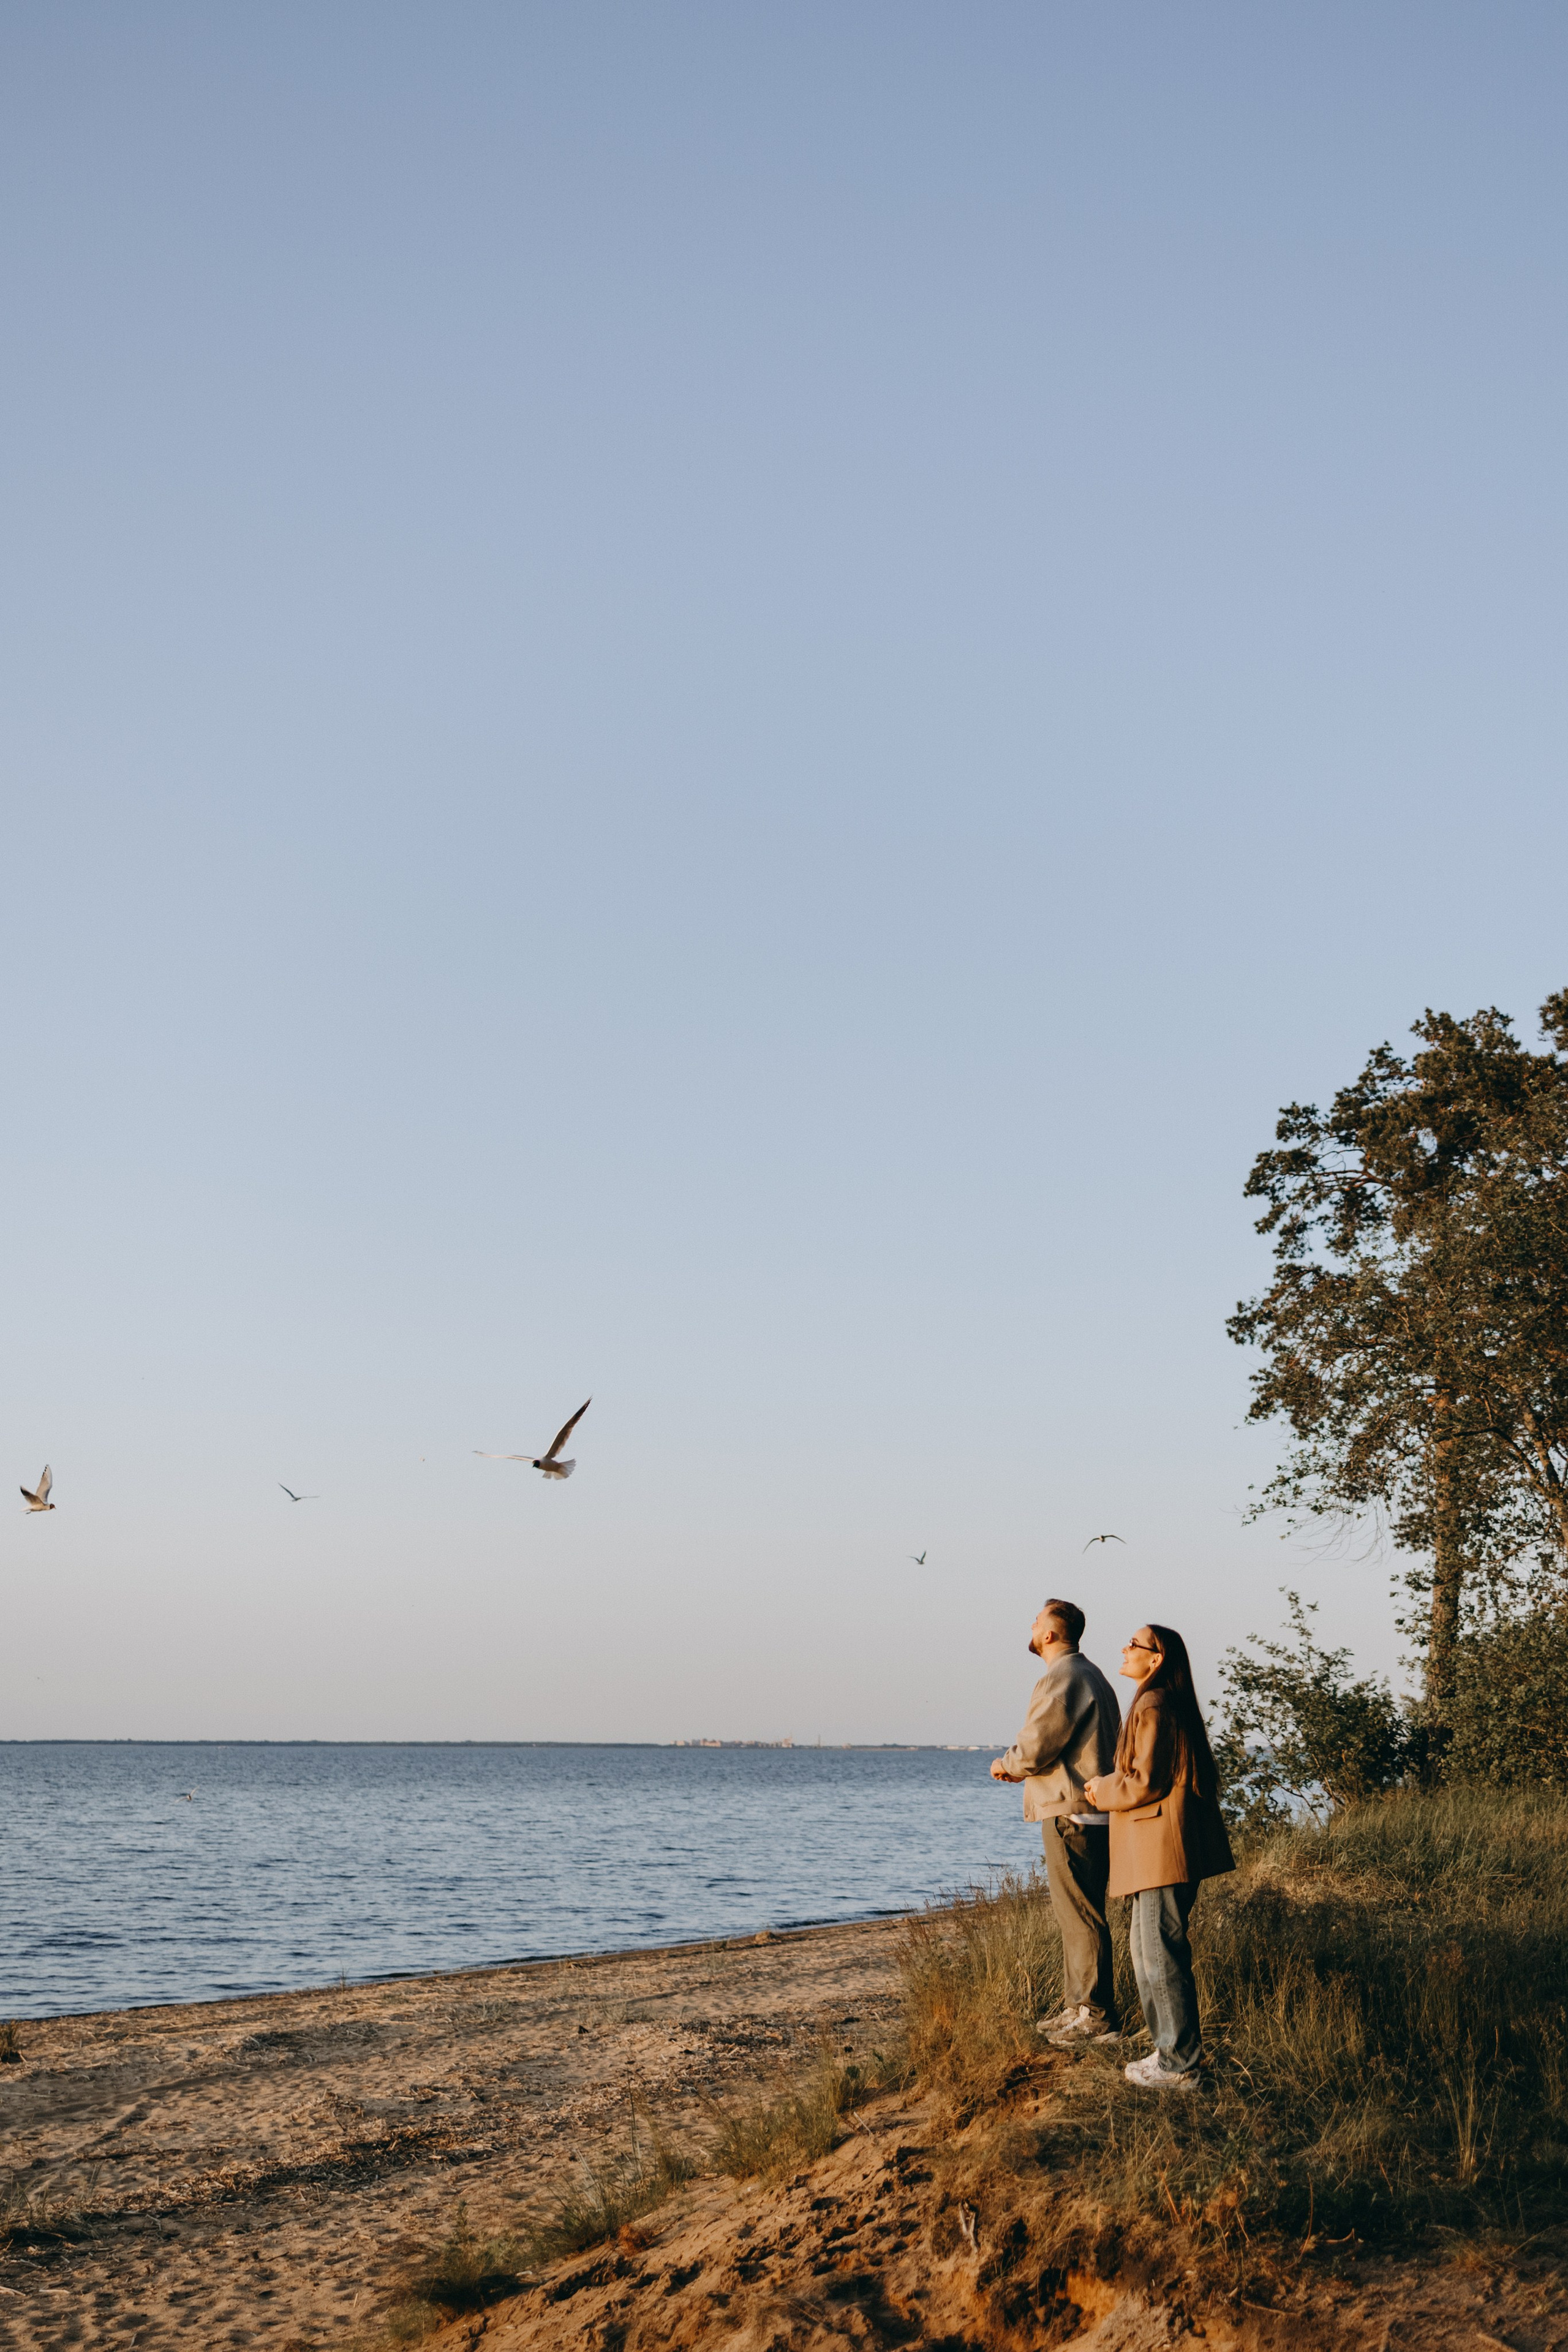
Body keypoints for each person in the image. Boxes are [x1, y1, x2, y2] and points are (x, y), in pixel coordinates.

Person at [1082, 1623, 1234, 2090]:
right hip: (1156, 1851)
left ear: (1157, 1658)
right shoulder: (1160, 1702)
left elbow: (1145, 1782)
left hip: (1159, 1852)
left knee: (1159, 1957)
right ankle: (1168, 2050)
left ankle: (1181, 2064)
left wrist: (1099, 1789)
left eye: (1135, 1644)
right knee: (1147, 1953)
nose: (1124, 1649)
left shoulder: (1154, 1704)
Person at [990, 1598, 1123, 2047]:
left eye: (1036, 1621)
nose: (1030, 1625)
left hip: (1074, 1814)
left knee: (1081, 1915)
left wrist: (1007, 1765)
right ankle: (1077, 2007)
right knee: (1079, 1915)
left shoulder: (1064, 1676)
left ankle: (1096, 2015)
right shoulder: (1093, 1675)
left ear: (1049, 1634)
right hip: (1092, 1811)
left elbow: (1036, 1745)